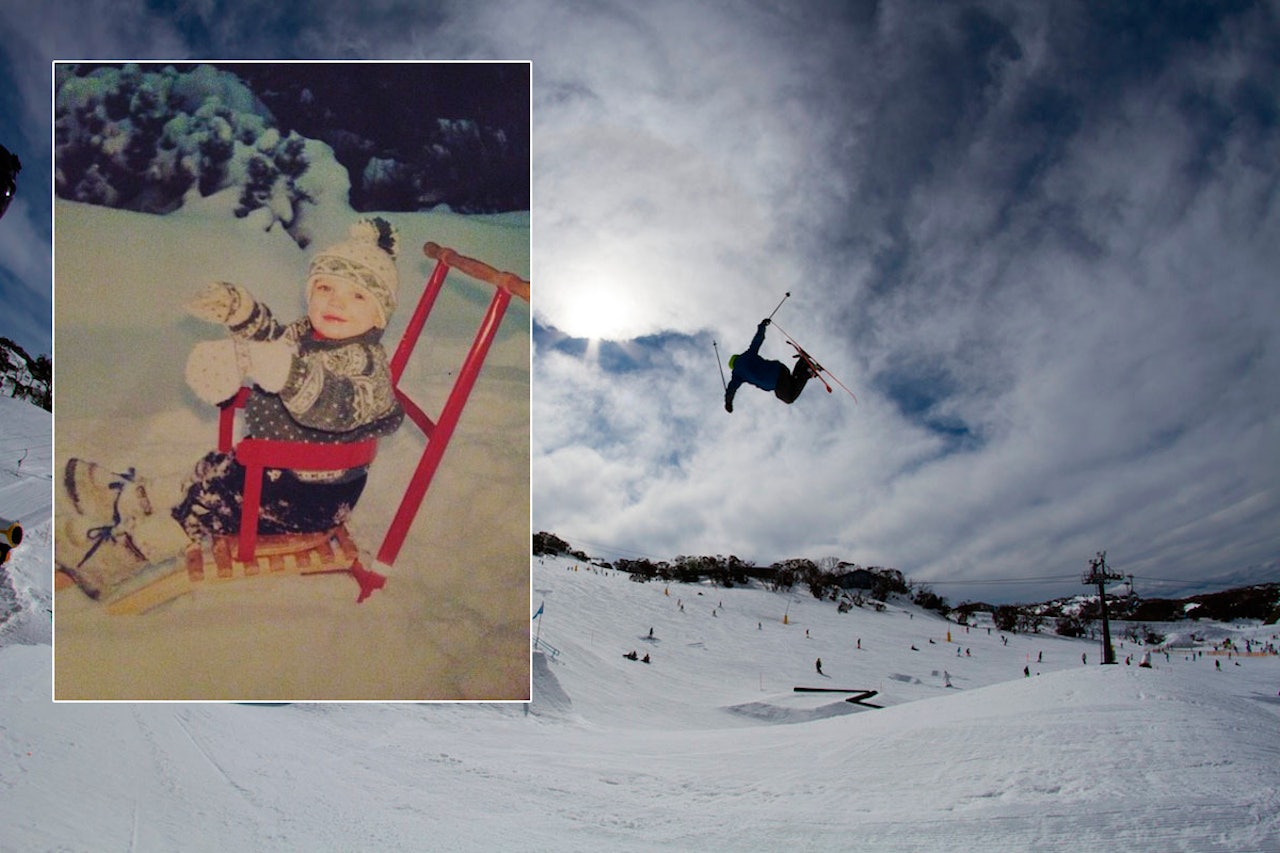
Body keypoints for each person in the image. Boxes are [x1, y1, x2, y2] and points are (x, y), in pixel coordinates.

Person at [59, 218, 406, 600]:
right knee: (213, 469)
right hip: (278, 472)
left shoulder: (367, 367)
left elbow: (336, 407)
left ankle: (119, 555)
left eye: (357, 295)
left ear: (379, 315)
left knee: (210, 502)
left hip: (309, 499)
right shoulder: (307, 333)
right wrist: (244, 314)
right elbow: (274, 341)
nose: (336, 301)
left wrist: (289, 374)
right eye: (325, 286)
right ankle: (132, 501)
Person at [724, 319, 817, 412]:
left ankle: (807, 371)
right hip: (780, 369)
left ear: (733, 366)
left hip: (774, 381)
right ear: (737, 357)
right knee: (791, 383)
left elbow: (731, 389)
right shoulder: (748, 354)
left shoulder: (737, 374)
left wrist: (728, 402)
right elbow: (757, 340)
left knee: (789, 398)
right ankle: (803, 363)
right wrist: (762, 326)